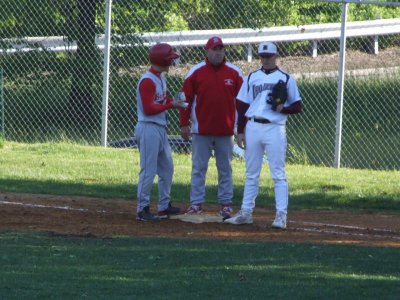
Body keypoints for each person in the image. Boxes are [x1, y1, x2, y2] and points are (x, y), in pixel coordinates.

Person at [224, 41, 303, 229]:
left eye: (269, 56)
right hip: (253, 127)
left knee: (278, 173)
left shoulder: (286, 78)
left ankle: (281, 216)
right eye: (263, 56)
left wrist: (283, 108)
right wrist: (241, 131)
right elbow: (242, 104)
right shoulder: (252, 77)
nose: (266, 59)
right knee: (251, 173)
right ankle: (246, 213)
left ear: (276, 57)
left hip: (275, 128)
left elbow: (298, 106)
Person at [180, 36, 244, 218]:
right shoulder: (195, 72)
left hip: (226, 130)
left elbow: (243, 103)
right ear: (206, 51)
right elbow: (185, 100)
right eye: (214, 49)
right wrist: (184, 124)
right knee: (199, 168)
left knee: (225, 168)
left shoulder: (235, 73)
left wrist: (241, 129)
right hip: (201, 130)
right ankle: (196, 203)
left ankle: (225, 204)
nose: (218, 52)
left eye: (221, 49)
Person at [135, 43, 188, 221]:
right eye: (169, 59)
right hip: (148, 127)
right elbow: (149, 109)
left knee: (167, 168)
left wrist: (174, 102)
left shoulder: (160, 78)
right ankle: (142, 209)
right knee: (148, 169)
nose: (171, 62)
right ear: (162, 60)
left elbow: (161, 99)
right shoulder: (148, 80)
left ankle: (164, 206)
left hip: (159, 128)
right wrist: (171, 105)